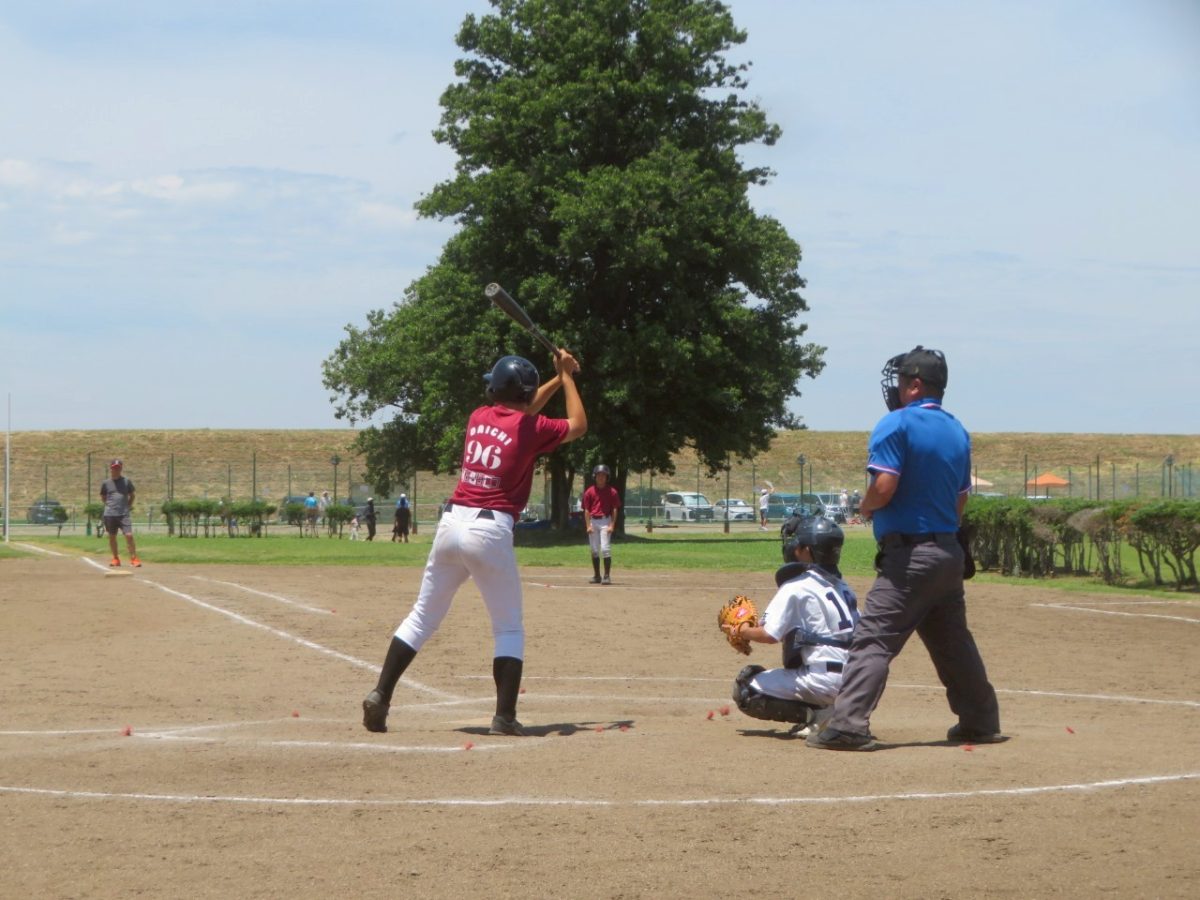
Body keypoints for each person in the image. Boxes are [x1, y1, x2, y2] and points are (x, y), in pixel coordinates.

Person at [362, 350, 586, 736]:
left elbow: (523, 408)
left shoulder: (478, 417)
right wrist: (566, 377)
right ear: (526, 393)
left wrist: (555, 374)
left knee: (422, 617)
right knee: (508, 628)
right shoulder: (530, 428)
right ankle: (504, 717)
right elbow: (578, 424)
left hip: (451, 524)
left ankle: (381, 694)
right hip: (489, 530)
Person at [807, 346, 1001, 751]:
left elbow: (884, 486)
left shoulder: (896, 423)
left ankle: (848, 726)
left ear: (914, 385)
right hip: (948, 553)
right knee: (953, 642)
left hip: (910, 557)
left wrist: (865, 507)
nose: (894, 388)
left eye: (899, 381)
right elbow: (960, 500)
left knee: (873, 639)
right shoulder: (957, 430)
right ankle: (980, 721)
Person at [723, 515, 858, 738]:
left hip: (825, 682)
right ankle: (839, 709)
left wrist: (741, 631)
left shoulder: (797, 586)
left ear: (806, 551)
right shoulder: (843, 588)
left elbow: (769, 634)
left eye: (798, 542)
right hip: (859, 682)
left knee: (747, 688)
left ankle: (819, 715)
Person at [582, 464, 620, 584]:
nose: (601, 477)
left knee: (605, 549)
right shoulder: (589, 491)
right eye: (599, 475)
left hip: (605, 521)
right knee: (594, 549)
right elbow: (586, 510)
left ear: (607, 477)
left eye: (603, 475)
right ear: (595, 476)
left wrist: (612, 525)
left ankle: (607, 576)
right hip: (593, 521)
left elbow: (615, 509)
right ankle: (597, 576)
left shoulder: (612, 492)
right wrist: (588, 525)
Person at [100, 459, 140, 567]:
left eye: (118, 468)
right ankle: (115, 558)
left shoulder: (126, 481)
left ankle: (134, 558)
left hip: (123, 514)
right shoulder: (106, 483)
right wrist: (109, 506)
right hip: (110, 514)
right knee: (112, 536)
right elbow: (103, 497)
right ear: (111, 469)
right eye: (114, 468)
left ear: (121, 469)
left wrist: (128, 506)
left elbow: (132, 495)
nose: (116, 470)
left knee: (129, 535)